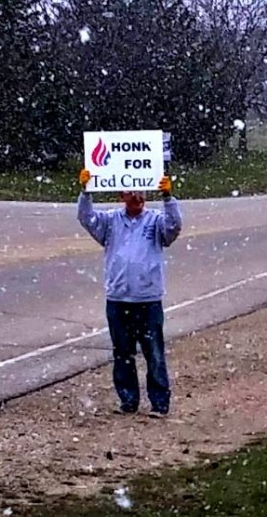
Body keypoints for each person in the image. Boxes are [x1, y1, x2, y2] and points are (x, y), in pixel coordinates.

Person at [77, 168, 183, 417]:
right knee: (123, 353)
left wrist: (168, 198)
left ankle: (159, 402)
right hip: (118, 299)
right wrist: (85, 191)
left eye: (140, 191)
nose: (137, 196)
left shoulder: (156, 220)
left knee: (154, 354)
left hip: (148, 300)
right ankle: (128, 400)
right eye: (131, 191)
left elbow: (174, 227)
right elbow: (86, 218)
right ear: (120, 195)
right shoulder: (111, 221)